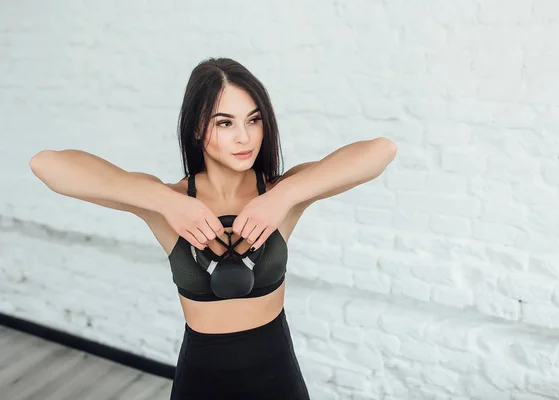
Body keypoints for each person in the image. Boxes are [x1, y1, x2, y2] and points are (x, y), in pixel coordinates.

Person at [29, 57, 397, 399]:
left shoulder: (282, 193)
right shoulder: (166, 203)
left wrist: (283, 197)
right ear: (196, 129)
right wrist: (165, 201)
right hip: (201, 379)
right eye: (225, 123)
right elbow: (47, 164)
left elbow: (381, 150)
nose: (245, 137)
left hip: (277, 375)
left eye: (253, 120)